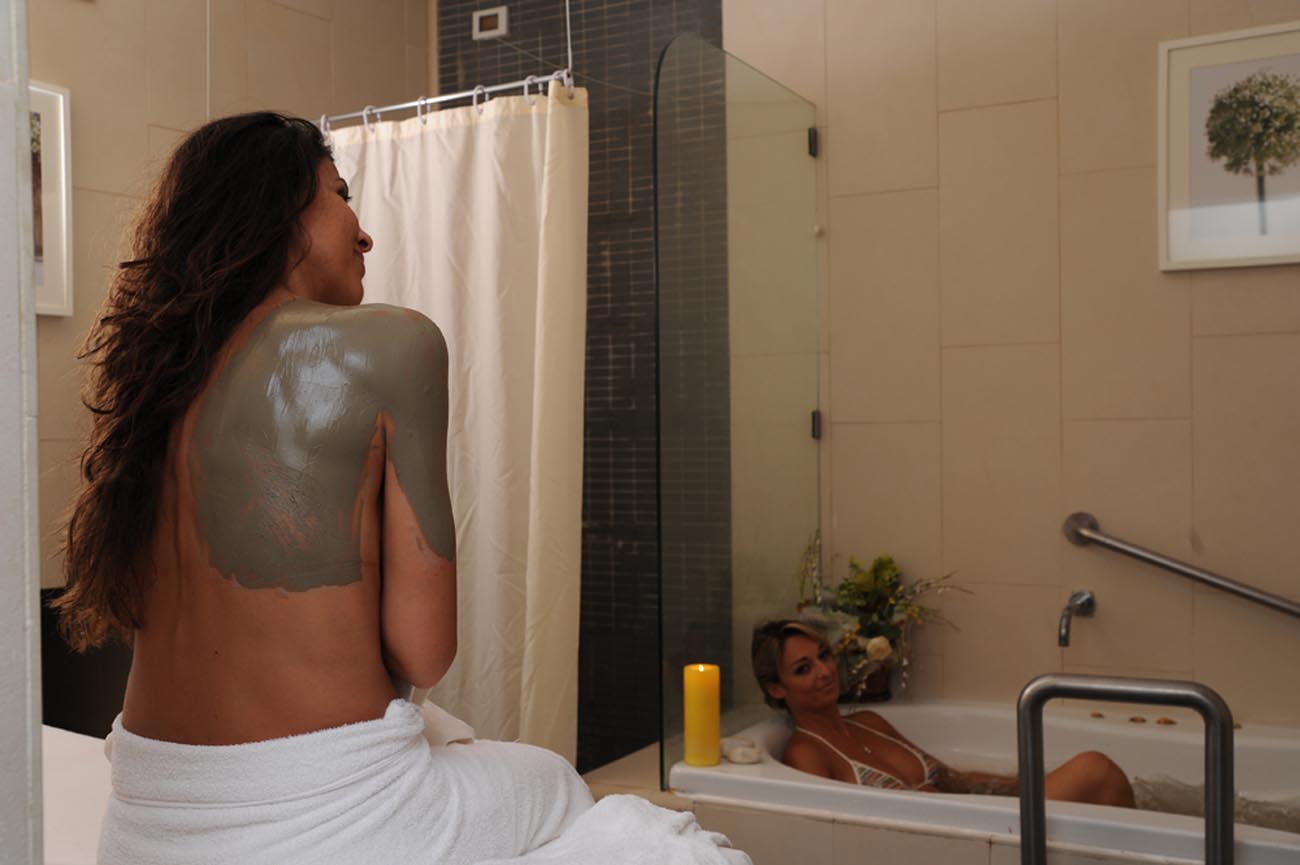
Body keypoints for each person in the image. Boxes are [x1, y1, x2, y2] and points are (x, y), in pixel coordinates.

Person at [51, 112, 602, 865]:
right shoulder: (394, 342)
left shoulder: (155, 383)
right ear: (277, 209)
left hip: (146, 825)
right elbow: (424, 653)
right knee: (554, 780)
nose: (363, 233)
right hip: (329, 820)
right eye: (340, 195)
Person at [751, 620, 1135, 807]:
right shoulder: (806, 754)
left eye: (824, 656)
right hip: (950, 842)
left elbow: (953, 779)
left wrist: (1020, 785)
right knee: (1095, 770)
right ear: (777, 688)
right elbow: (839, 831)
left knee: (1095, 772)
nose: (824, 671)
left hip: (972, 818)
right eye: (803, 669)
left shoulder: (869, 723)